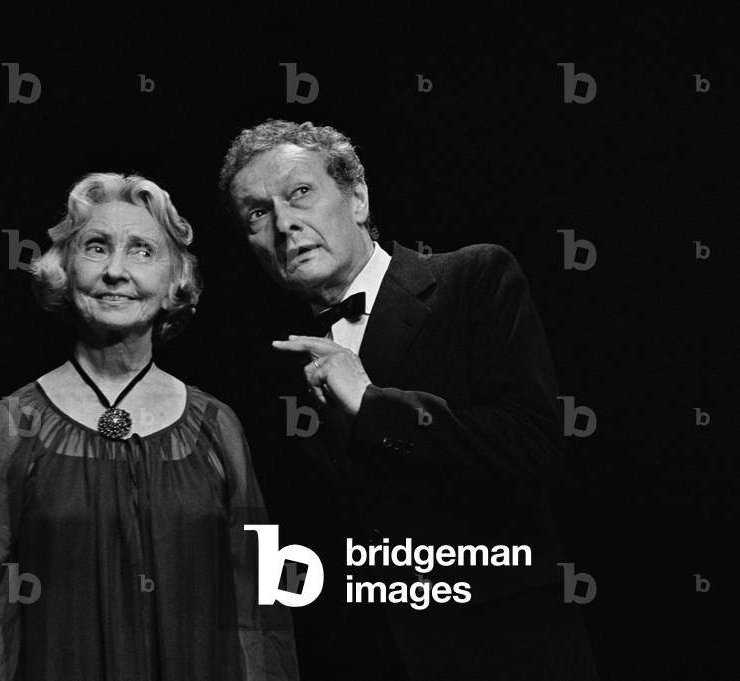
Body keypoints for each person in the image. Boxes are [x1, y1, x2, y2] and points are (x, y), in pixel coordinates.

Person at [219, 120, 599, 680]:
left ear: (357, 196)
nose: (283, 224)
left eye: (300, 192)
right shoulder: (268, 368)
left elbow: (532, 448)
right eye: (256, 212)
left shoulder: (474, 278)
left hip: (503, 653)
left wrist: (373, 403)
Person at [0, 172, 299, 681]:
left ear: (175, 281)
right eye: (97, 248)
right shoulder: (12, 424)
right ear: (63, 270)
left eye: (143, 251)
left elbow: (258, 606)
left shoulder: (219, 426)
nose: (117, 272)